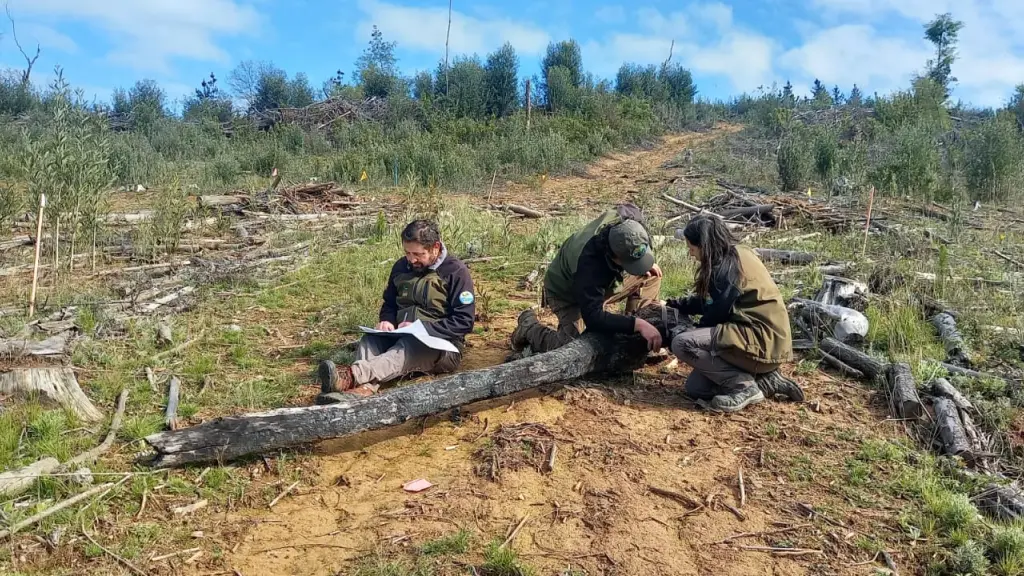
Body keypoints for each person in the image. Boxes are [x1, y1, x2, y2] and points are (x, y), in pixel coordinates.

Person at [316, 220, 475, 402]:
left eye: (418, 254)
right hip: (400, 335)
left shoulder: (456, 272)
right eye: (407, 253)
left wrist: (422, 329)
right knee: (370, 340)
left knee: (408, 347)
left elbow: (464, 321)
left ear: (435, 247)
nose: (411, 259)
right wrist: (387, 320)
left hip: (441, 347)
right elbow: (389, 303)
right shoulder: (400, 267)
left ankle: (350, 376)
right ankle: (363, 390)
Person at [666, 215, 804, 412]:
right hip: (770, 341)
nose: (691, 254)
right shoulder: (739, 254)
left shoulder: (725, 271)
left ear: (704, 246)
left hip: (759, 339)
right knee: (696, 387)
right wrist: (677, 304)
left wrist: (686, 331)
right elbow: (709, 301)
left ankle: (744, 388)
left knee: (681, 343)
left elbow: (714, 315)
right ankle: (764, 379)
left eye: (692, 248)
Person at [510, 203, 664, 356]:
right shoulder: (588, 264)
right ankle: (528, 327)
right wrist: (637, 324)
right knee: (572, 348)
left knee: (651, 276)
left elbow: (633, 234)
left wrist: (643, 261)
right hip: (566, 292)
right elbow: (594, 317)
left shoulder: (629, 223)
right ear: (612, 255)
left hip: (605, 282)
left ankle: (637, 339)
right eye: (628, 263)